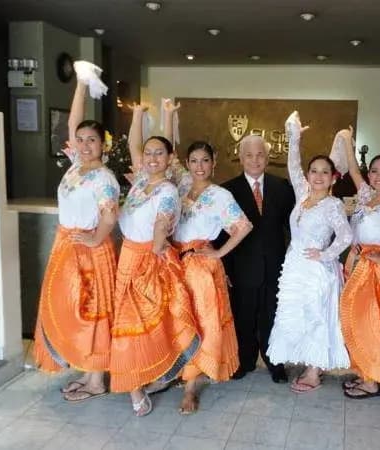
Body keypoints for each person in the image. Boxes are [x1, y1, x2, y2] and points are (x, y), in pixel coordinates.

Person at [108, 102, 200, 416]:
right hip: (128, 258)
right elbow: (134, 145)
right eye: (148, 153)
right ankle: (140, 380)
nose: (151, 158)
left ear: (170, 158)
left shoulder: (168, 191)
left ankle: (139, 385)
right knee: (130, 326)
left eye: (159, 153)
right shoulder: (140, 182)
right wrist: (137, 115)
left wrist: (156, 247)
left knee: (139, 327)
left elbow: (161, 228)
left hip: (150, 261)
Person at [33, 76, 120, 402]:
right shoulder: (75, 167)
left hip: (89, 253)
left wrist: (95, 240)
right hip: (66, 248)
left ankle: (96, 380)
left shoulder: (104, 177)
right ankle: (86, 372)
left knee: (93, 312)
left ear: (103, 145)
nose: (84, 145)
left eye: (92, 140)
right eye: (80, 140)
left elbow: (110, 216)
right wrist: (81, 85)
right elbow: (72, 123)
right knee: (74, 311)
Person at [267, 111, 352, 393]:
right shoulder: (302, 193)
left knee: (317, 315)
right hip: (295, 265)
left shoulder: (333, 205)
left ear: (333, 178)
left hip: (317, 269)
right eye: (314, 170)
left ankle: (315, 370)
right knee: (299, 313)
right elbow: (293, 165)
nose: (318, 176)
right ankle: (307, 361)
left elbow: (346, 236)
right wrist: (295, 138)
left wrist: (325, 255)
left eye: (324, 172)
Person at [172, 140, 253, 414]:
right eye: (194, 161)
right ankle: (178, 371)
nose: (200, 166)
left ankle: (191, 388)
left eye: (205, 160)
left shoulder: (220, 195)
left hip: (201, 268)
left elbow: (243, 226)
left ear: (213, 163)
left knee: (200, 323)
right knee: (177, 320)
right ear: (187, 163)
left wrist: (218, 253)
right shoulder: (181, 188)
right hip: (175, 263)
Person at [336, 127, 380, 399]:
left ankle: (372, 382)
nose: (379, 176)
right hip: (358, 264)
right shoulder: (366, 197)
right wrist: (347, 141)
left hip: (375, 270)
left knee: (372, 322)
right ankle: (365, 372)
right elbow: (354, 170)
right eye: (375, 171)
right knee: (356, 319)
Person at [218, 134, 294, 383]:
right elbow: (221, 235)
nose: (255, 160)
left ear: (267, 158)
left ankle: (275, 362)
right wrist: (225, 269)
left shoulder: (282, 187)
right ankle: (245, 360)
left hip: (276, 266)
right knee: (244, 316)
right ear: (240, 159)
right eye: (249, 155)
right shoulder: (227, 191)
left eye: (260, 154)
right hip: (242, 267)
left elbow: (293, 227)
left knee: (273, 316)